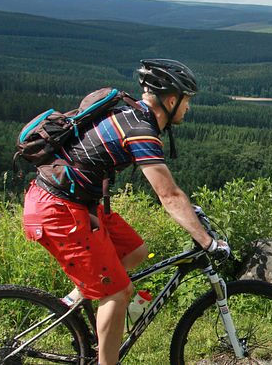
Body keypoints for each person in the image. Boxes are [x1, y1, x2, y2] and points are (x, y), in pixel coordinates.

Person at [22, 59, 229, 365]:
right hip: (61, 210)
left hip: (80, 204)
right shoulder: (141, 129)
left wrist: (192, 215)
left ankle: (76, 298)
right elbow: (169, 195)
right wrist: (207, 241)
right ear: (171, 100)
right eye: (187, 101)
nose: (187, 108)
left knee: (136, 251)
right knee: (118, 294)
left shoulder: (128, 111)